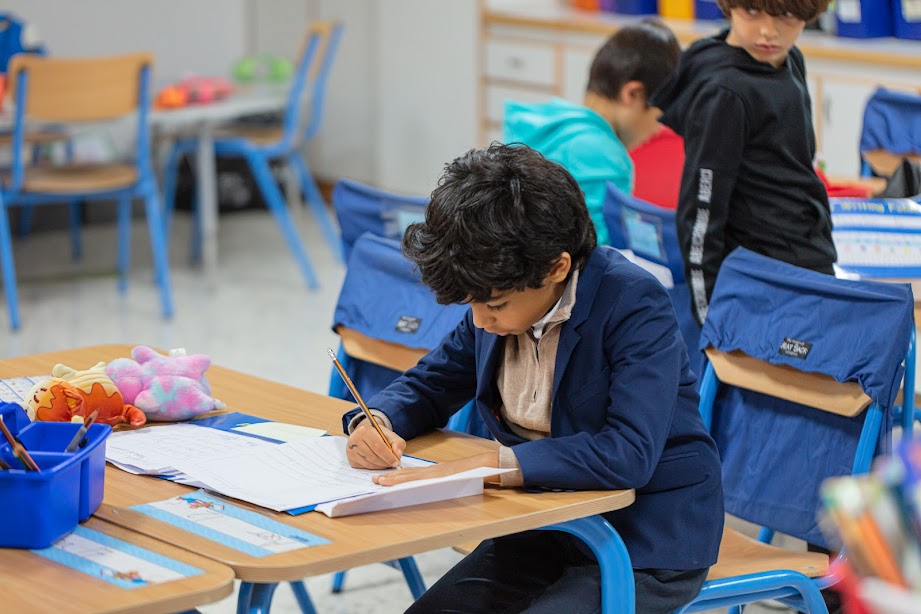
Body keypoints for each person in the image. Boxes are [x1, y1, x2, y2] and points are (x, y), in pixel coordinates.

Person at [342, 144, 723, 613]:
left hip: (645, 539)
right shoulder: (497, 298)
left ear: (557, 267)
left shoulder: (632, 304)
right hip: (541, 528)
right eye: (472, 305)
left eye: (495, 305)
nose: (480, 321)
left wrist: (497, 466)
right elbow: (431, 383)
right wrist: (378, 419)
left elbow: (628, 453)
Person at [651, 0, 836, 325]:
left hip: (807, 254)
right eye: (753, 12)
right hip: (767, 281)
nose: (769, 31)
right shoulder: (725, 93)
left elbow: (800, 167)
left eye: (787, 16)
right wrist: (709, 317)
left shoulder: (790, 59)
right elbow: (700, 214)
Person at [503, 19, 680, 245]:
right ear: (632, 94)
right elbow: (600, 258)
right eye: (660, 115)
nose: (658, 129)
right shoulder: (608, 157)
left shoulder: (543, 123)